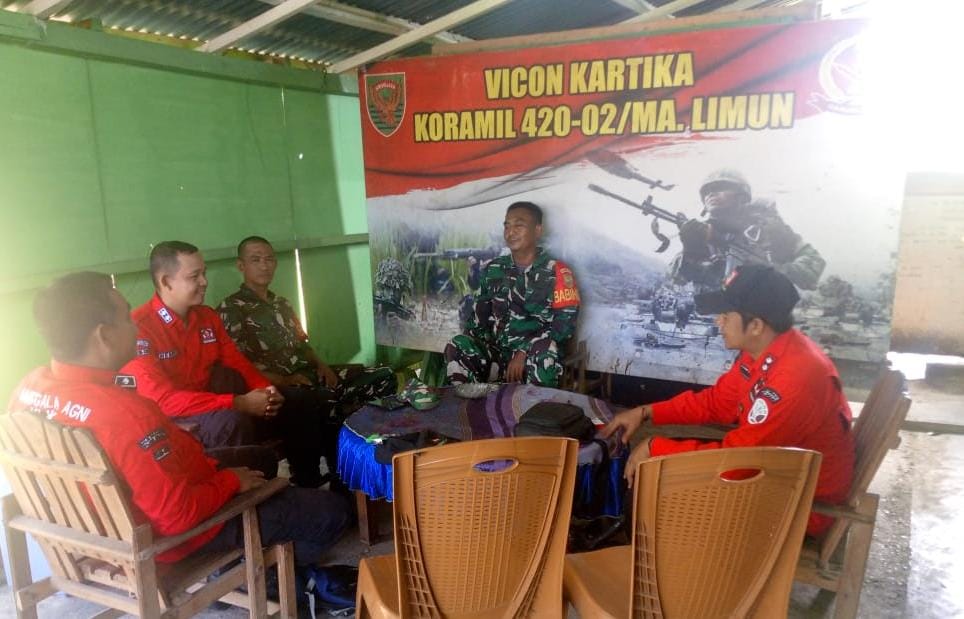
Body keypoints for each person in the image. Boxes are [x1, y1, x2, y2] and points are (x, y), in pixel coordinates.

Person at [9, 272, 350, 600]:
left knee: (261, 459)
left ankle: (258, 535)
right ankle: (248, 571)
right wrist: (230, 482)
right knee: (333, 512)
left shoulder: (28, 390)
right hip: (170, 539)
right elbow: (176, 516)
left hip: (103, 521)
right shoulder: (125, 414)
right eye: (126, 317)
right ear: (104, 336)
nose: (135, 326)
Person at [603, 264, 854, 536]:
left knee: (658, 485)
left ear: (756, 325)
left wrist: (657, 449)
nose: (717, 322)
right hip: (776, 474)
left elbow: (737, 465)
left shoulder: (795, 379)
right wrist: (645, 412)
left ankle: (653, 555)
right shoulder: (765, 350)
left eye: (725, 315)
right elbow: (716, 403)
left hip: (798, 506)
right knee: (656, 471)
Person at [121, 241, 326, 489]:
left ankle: (307, 483)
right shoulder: (139, 328)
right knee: (232, 422)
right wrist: (238, 402)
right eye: (194, 276)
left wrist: (266, 390)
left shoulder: (207, 317)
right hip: (175, 419)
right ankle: (248, 499)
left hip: (212, 402)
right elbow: (164, 401)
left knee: (297, 401)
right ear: (166, 282)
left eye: (204, 273)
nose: (204, 282)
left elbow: (236, 361)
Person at [217, 236, 397, 481]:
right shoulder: (231, 308)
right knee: (325, 401)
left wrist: (323, 366)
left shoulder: (281, 303)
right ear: (241, 266)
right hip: (279, 388)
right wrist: (284, 380)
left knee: (383, 377)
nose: (264, 266)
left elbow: (302, 343)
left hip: (308, 375)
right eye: (256, 260)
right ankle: (339, 475)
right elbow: (238, 364)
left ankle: (371, 456)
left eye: (269, 259)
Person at [444, 201, 581, 387]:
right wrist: (472, 345)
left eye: (519, 225)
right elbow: (478, 319)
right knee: (458, 344)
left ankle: (535, 404)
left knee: (544, 350)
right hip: (499, 356)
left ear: (537, 230)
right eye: (507, 226)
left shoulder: (557, 271)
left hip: (535, 359)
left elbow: (564, 326)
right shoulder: (494, 269)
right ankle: (470, 401)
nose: (510, 232)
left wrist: (524, 351)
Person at [672, 169, 826, 291]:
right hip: (717, 313)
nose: (711, 194)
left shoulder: (769, 229)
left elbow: (813, 264)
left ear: (742, 195)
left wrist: (770, 270)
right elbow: (676, 280)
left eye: (720, 188)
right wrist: (690, 251)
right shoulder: (702, 232)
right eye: (707, 191)